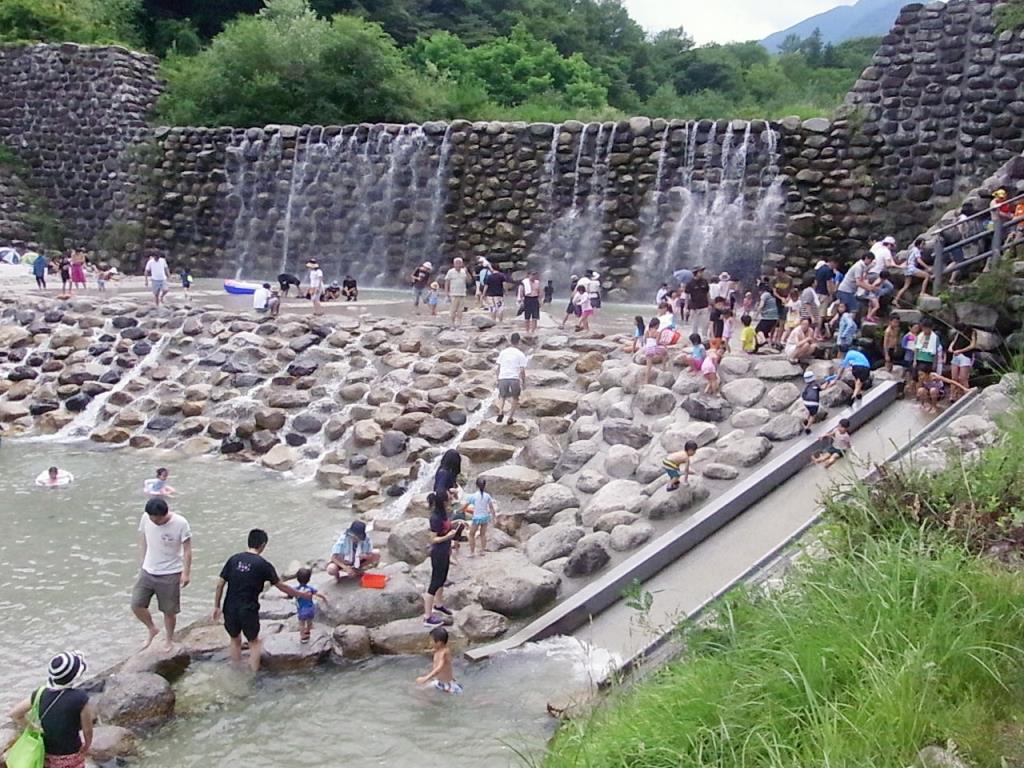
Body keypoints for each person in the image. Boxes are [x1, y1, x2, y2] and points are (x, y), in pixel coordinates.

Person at [213, 529, 308, 672]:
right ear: (263, 545)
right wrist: (300, 594)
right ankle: (253, 676)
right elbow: (281, 586)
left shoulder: (233, 559)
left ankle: (236, 670)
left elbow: (220, 584)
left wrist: (216, 606)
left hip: (230, 607)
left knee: (235, 639)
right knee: (254, 643)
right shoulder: (263, 564)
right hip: (248, 609)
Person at [8, 651, 94, 768]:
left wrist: (35, 728)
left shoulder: (40, 693)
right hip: (71, 754)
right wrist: (87, 745)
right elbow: (87, 729)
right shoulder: (80, 698)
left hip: (46, 753)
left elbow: (15, 714)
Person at [132, 497, 191, 651]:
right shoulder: (146, 518)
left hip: (170, 572)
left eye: (157, 519)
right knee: (136, 604)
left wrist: (186, 573)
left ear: (164, 514)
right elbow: (143, 538)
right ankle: (152, 628)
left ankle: (169, 640)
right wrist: (142, 560)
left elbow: (187, 550)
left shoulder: (180, 523)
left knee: (169, 611)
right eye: (151, 518)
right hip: (148, 570)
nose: (154, 521)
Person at [423, 492, 461, 627]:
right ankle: (427, 617)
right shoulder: (435, 518)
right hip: (438, 552)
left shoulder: (444, 514)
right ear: (443, 502)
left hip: (445, 551)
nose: (451, 498)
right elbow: (433, 539)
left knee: (442, 579)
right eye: (449, 497)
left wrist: (456, 524)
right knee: (435, 583)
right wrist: (448, 537)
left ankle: (439, 605)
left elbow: (445, 528)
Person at [417, 626, 462, 693]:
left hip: (447, 685)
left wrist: (426, 678)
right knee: (419, 688)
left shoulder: (444, 653)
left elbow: (439, 668)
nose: (430, 642)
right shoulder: (438, 649)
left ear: (439, 643)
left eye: (431, 641)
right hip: (438, 682)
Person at [496, 332, 528, 424]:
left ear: (510, 341)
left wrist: (497, 378)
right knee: (515, 398)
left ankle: (500, 411)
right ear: (519, 341)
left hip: (503, 377)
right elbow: (522, 370)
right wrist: (524, 382)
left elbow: (498, 367)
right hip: (514, 378)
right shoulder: (520, 354)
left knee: (502, 396)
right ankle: (510, 418)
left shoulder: (503, 352)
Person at [462, 477, 497, 557]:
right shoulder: (487, 496)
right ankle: (482, 551)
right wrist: (494, 517)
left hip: (477, 518)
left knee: (471, 534)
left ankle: (472, 552)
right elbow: (491, 507)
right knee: (483, 534)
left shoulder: (473, 496)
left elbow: (465, 505)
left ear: (476, 486)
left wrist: (461, 510)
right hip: (485, 517)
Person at [293, 567, 326, 644]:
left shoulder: (296, 589)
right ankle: (308, 630)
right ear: (309, 579)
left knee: (301, 623)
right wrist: (324, 598)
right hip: (310, 608)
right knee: (309, 621)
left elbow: (289, 594)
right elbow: (318, 594)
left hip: (301, 610)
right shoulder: (310, 588)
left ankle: (303, 636)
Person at [895, 237, 931, 304]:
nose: (924, 246)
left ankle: (895, 300)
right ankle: (922, 293)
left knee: (906, 286)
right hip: (912, 268)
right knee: (927, 276)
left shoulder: (911, 250)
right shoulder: (916, 250)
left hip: (907, 268)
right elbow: (919, 260)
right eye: (923, 244)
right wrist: (927, 267)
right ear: (918, 244)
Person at [949, 328, 976, 400]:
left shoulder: (972, 332)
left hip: (965, 356)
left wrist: (960, 351)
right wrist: (951, 347)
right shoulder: (958, 332)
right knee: (954, 377)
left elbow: (972, 345)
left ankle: (965, 395)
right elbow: (954, 341)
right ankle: (953, 395)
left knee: (963, 378)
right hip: (956, 355)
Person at [445, 257, 470, 328]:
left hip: (462, 293)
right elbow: (447, 283)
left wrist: (467, 272)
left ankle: (459, 323)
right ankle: (452, 324)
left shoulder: (463, 271)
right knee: (453, 310)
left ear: (462, 264)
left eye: (459, 263)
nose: (458, 264)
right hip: (453, 293)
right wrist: (446, 294)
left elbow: (469, 281)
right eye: (456, 263)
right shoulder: (450, 271)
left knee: (460, 310)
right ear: (454, 264)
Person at [685, 266, 710, 336]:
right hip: (694, 307)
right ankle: (694, 338)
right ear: (696, 273)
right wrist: (686, 307)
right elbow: (687, 296)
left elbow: (707, 293)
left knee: (705, 324)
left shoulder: (705, 282)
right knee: (694, 325)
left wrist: (710, 303)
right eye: (700, 272)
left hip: (704, 306)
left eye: (702, 271)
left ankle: (704, 338)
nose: (702, 273)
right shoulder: (690, 283)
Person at [755, 282, 779, 349]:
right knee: (765, 333)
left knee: (758, 330)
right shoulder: (772, 295)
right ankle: (769, 345)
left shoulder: (765, 295)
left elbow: (761, 306)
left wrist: (755, 315)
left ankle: (764, 341)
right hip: (775, 317)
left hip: (768, 317)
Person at [643, 317, 667, 384]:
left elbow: (645, 340)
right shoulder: (657, 332)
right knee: (665, 353)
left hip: (648, 349)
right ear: (656, 325)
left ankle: (646, 381)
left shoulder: (647, 331)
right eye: (658, 325)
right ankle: (664, 368)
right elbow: (657, 342)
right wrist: (663, 344)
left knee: (648, 366)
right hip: (654, 348)